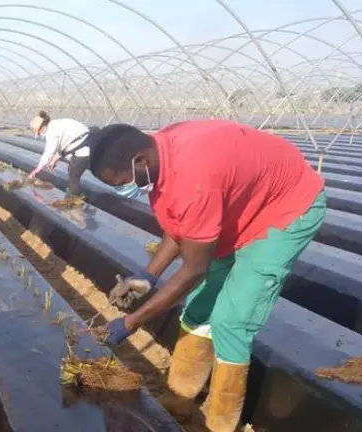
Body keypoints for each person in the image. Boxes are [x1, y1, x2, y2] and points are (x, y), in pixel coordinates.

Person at [87, 120, 326, 432]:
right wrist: (147, 276)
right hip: (237, 209)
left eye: (122, 182)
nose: (122, 189)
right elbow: (181, 227)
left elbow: (195, 268)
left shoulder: (193, 176)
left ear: (140, 161)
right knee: (199, 309)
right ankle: (178, 400)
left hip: (285, 211)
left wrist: (131, 322)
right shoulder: (161, 154)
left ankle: (220, 422)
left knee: (231, 320)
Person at [27, 111, 91, 197]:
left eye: (38, 133)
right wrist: (54, 160)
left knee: (73, 175)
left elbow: (49, 152)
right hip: (84, 143)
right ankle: (75, 194)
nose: (40, 135)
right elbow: (63, 145)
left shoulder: (51, 132)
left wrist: (37, 170)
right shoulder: (54, 125)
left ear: (42, 127)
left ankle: (75, 198)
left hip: (83, 147)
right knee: (74, 170)